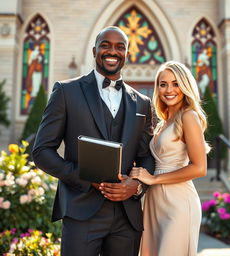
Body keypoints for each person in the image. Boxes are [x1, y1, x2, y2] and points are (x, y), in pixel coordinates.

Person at [32, 26, 155, 256]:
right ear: (94, 50)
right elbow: (42, 152)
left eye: (120, 47)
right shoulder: (66, 91)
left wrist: (136, 186)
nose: (112, 51)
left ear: (127, 54)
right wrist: (85, 178)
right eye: (105, 45)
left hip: (126, 217)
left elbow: (147, 156)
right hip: (81, 211)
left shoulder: (142, 103)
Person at [130, 60, 210, 256]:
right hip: (154, 201)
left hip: (178, 202)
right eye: (163, 84)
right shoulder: (163, 123)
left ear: (185, 85)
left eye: (175, 83)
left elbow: (200, 168)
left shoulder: (188, 116)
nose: (169, 89)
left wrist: (154, 178)